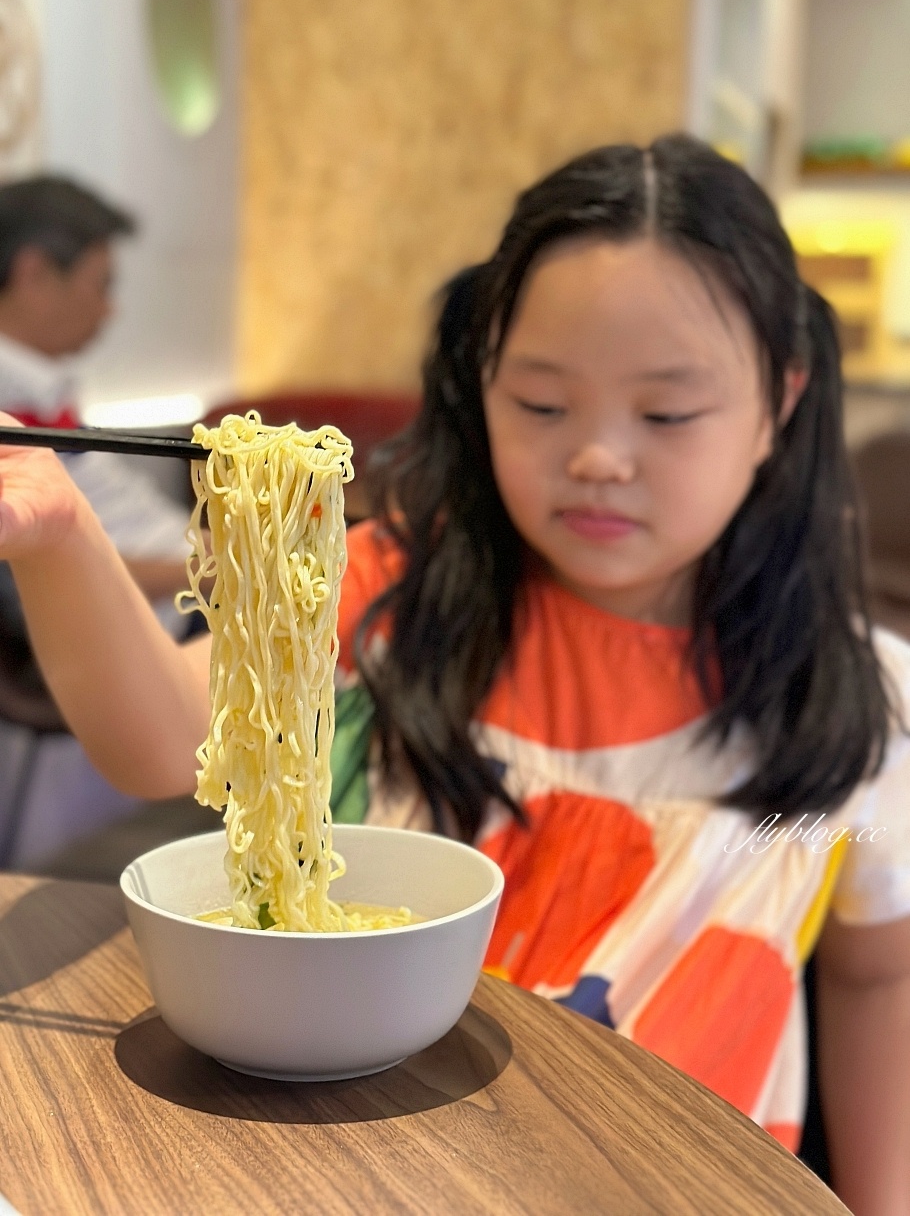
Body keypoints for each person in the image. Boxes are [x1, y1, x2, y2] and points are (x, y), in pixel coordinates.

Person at [0, 136, 907, 1213]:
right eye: (539, 403)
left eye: (665, 413)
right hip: (368, 1176)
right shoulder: (397, 592)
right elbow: (160, 742)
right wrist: (53, 532)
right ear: (481, 387)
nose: (599, 456)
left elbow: (873, 975)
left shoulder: (865, 698)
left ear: (781, 402)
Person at [0, 176, 203, 868]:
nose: (110, 309)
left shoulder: (42, 387)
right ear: (33, 273)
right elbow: (14, 577)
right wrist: (205, 569)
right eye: (99, 283)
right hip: (139, 636)